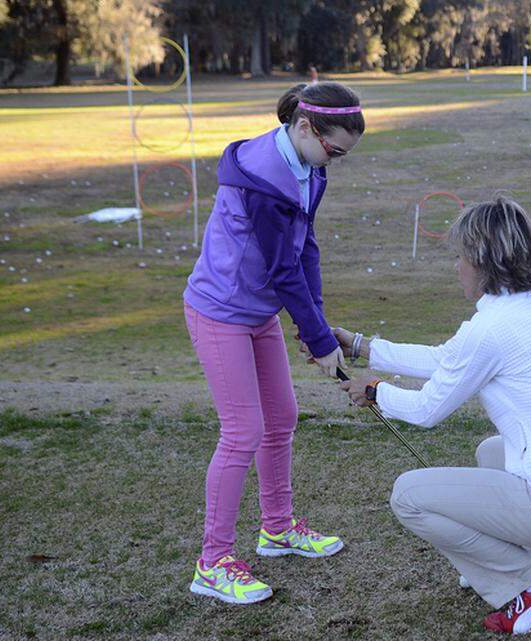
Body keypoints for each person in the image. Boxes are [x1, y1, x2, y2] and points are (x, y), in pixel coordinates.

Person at [335, 195, 531, 634]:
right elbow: (447, 359)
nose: (456, 267)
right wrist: (362, 346)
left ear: (480, 261)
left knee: (408, 495)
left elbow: (426, 410)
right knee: (492, 451)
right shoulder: (529, 309)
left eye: (460, 257)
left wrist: (375, 392)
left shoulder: (492, 330)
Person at [182, 81, 364, 604]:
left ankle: (277, 530)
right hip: (220, 311)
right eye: (334, 149)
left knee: (281, 418)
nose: (336, 162)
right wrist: (316, 335)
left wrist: (320, 328)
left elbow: (305, 247)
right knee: (242, 432)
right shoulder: (264, 180)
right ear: (306, 127)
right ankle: (212, 563)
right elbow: (283, 269)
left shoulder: (312, 166)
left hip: (258, 310)